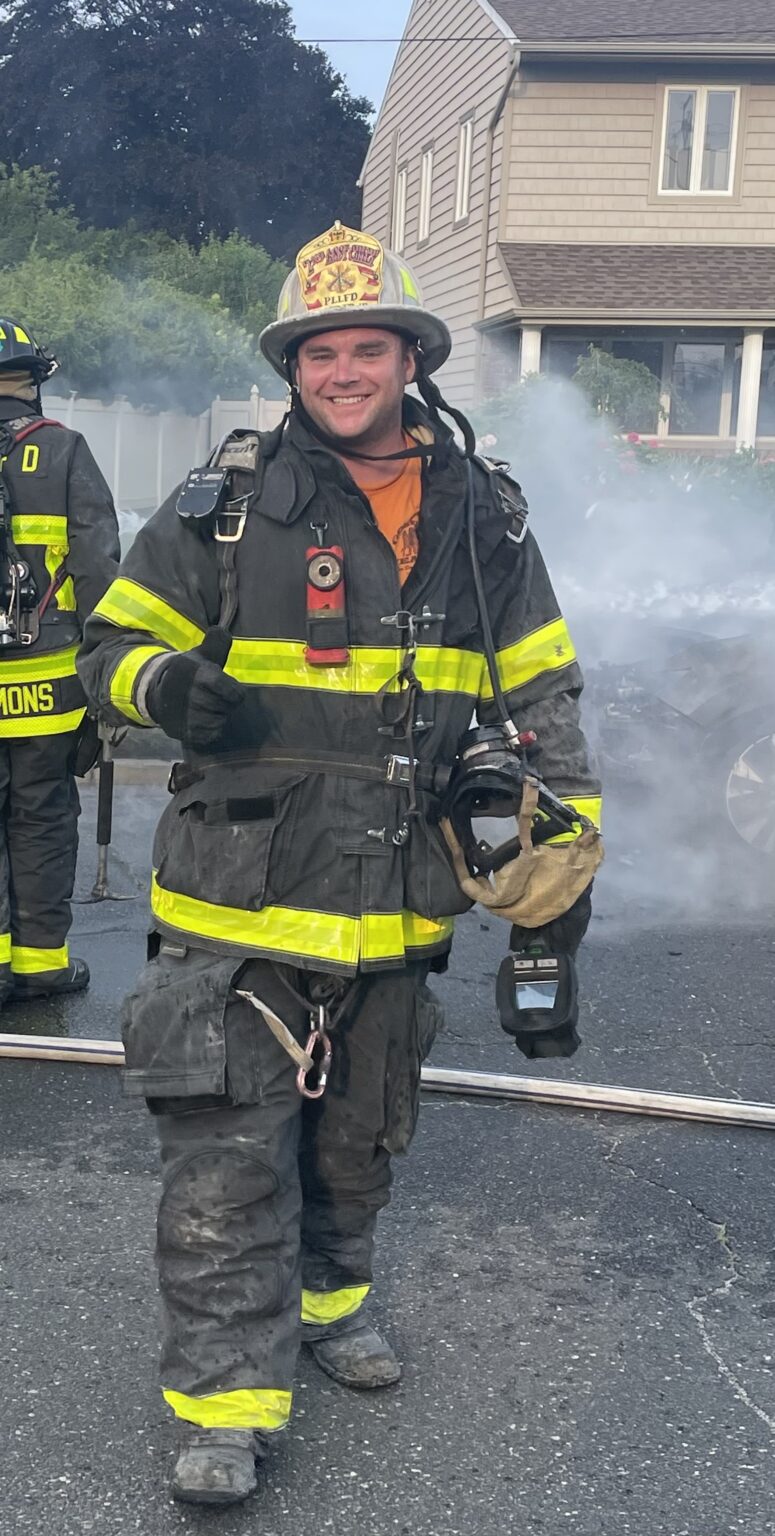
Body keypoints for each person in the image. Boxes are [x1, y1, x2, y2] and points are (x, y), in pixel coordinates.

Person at [77, 222, 601, 1507]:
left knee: (359, 1140)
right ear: (294, 365)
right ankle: (223, 1408)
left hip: (395, 905)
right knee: (224, 1158)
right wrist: (167, 687)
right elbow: (107, 649)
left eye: (368, 347)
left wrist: (565, 839)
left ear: (409, 358)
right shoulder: (231, 500)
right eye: (321, 352)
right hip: (237, 907)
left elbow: (538, 686)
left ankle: (331, 1309)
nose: (343, 371)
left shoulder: (486, 512)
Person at [0, 317, 119, 1001]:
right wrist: (106, 677)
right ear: (31, 381)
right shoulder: (65, 450)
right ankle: (41, 965)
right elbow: (101, 569)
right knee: (41, 819)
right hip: (49, 687)